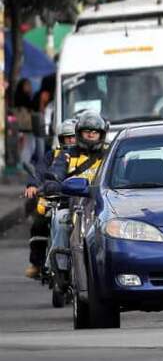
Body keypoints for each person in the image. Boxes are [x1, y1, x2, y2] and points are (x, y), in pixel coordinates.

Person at [41, 111, 110, 277]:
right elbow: (55, 173)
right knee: (59, 220)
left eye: (95, 133)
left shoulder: (108, 154)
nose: (91, 136)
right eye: (87, 132)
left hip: (101, 205)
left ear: (101, 135)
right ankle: (61, 269)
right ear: (80, 133)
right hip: (71, 204)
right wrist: (52, 184)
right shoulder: (67, 154)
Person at [23, 119, 76, 279]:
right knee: (39, 223)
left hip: (77, 201)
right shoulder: (52, 156)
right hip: (53, 199)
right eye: (68, 138)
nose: (72, 141)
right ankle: (37, 264)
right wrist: (33, 185)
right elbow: (39, 172)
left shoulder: (83, 155)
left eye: (74, 137)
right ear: (61, 139)